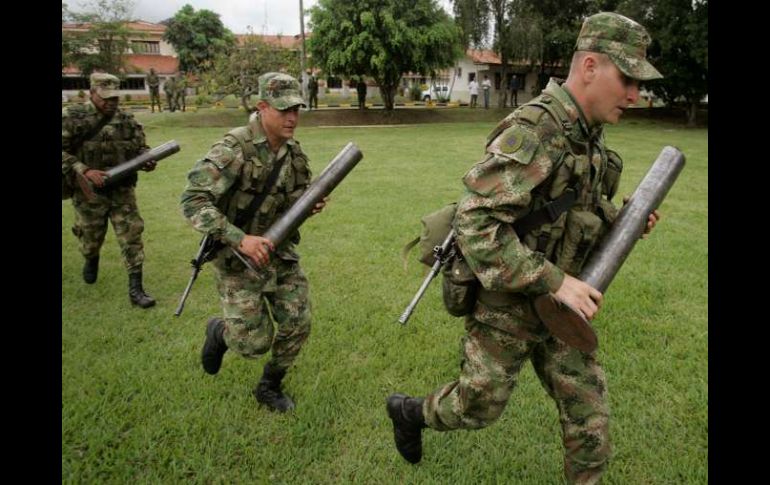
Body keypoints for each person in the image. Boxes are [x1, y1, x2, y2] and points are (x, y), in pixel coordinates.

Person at [386, 12, 663, 484]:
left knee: (590, 420)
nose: (636, 95)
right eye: (627, 79)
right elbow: (476, 224)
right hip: (510, 306)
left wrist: (622, 222)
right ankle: (412, 413)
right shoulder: (537, 130)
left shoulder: (589, 133)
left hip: (561, 305)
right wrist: (556, 281)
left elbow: (571, 212)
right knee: (477, 408)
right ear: (591, 66)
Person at [180, 72, 327, 413]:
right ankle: (220, 333)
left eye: (297, 109)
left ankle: (269, 386)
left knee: (298, 323)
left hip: (278, 253)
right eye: (283, 109)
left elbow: (292, 201)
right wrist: (239, 238)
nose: (292, 117)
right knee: (253, 343)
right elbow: (192, 200)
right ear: (262, 107)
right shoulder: (233, 149)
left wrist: (308, 205)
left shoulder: (294, 155)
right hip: (237, 257)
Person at [62, 72, 158, 308]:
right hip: (88, 192)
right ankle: (90, 257)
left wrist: (146, 158)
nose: (110, 103)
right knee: (90, 238)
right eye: (105, 98)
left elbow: (140, 146)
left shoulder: (126, 118)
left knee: (132, 236)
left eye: (114, 98)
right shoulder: (73, 117)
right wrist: (84, 170)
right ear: (92, 92)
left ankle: (136, 290)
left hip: (121, 190)